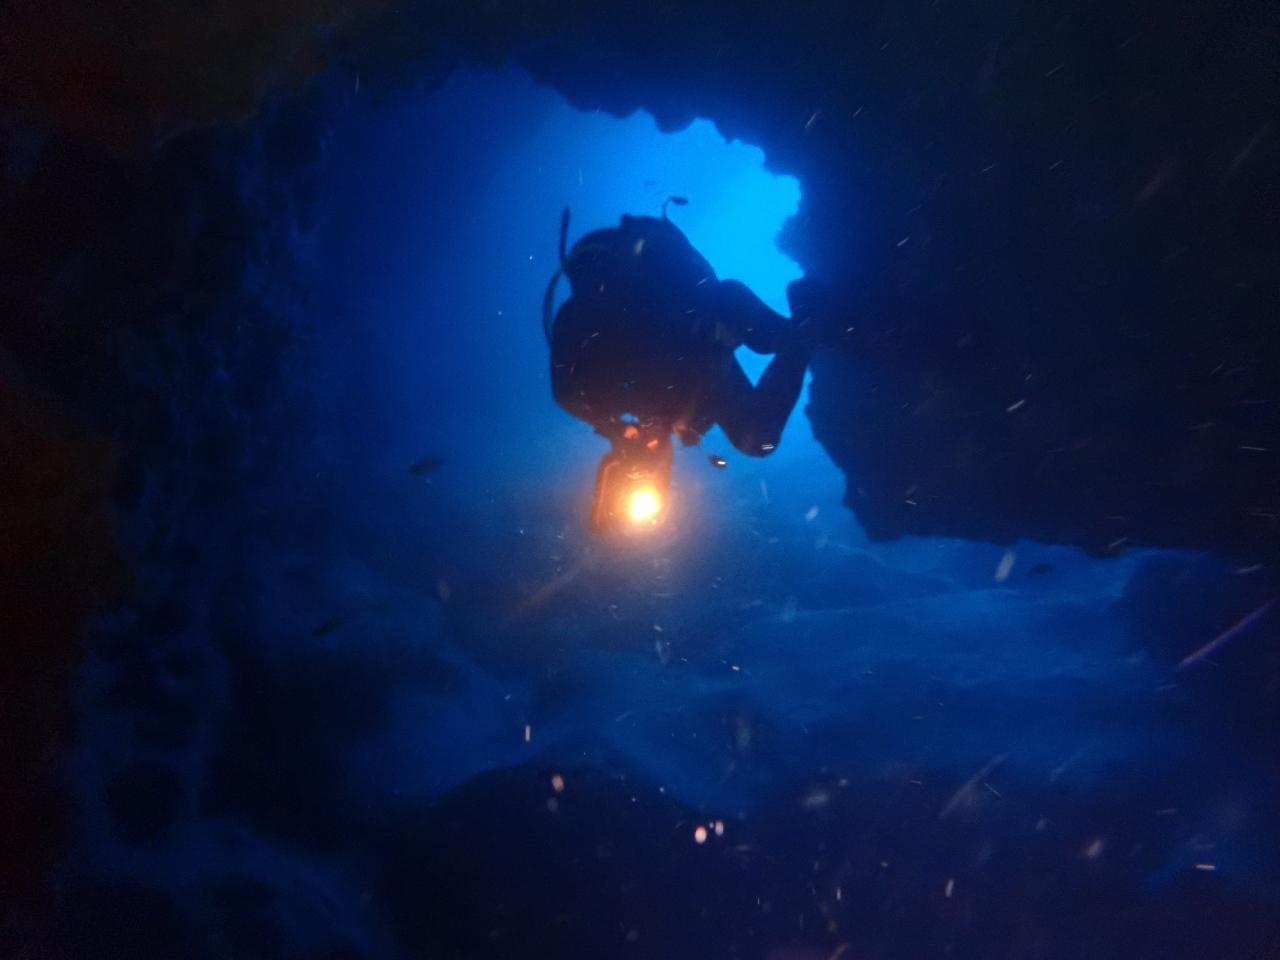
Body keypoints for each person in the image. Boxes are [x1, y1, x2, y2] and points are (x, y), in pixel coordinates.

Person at [543, 205, 820, 530]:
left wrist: (715, 330)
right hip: (700, 358)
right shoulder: (593, 396)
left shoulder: (585, 392)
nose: (654, 447)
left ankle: (800, 332)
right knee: (759, 440)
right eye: (655, 457)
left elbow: (697, 310)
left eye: (646, 451)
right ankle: (802, 338)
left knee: (763, 337)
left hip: (699, 328)